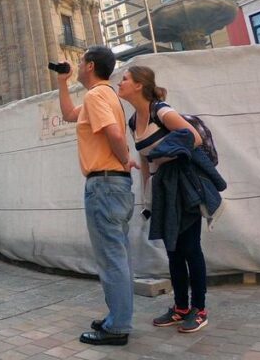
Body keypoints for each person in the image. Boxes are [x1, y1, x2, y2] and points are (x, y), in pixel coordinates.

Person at [118, 65, 211, 334]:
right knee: (172, 248)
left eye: (124, 79)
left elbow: (194, 138)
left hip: (182, 184)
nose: (120, 83)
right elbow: (146, 159)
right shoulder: (135, 120)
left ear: (138, 85)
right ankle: (181, 307)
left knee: (190, 247)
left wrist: (164, 153)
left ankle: (200, 309)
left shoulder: (163, 111)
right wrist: (147, 193)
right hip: (161, 188)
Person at [57, 46, 133, 346]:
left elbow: (114, 134)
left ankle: (118, 326)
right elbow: (67, 115)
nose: (77, 64)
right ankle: (118, 316)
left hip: (104, 183)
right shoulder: (104, 95)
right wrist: (63, 82)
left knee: (112, 258)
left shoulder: (97, 95)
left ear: (89, 66)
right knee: (118, 256)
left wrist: (124, 160)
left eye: (80, 61)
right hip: (112, 184)